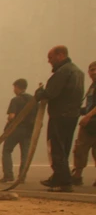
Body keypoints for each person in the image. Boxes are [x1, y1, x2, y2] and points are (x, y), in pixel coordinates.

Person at [35, 45, 85, 192]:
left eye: (51, 57)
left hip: (60, 115)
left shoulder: (63, 72)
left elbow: (51, 93)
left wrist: (39, 93)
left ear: (60, 55)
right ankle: (58, 177)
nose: (49, 61)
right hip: (71, 115)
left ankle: (63, 180)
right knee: (64, 148)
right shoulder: (78, 72)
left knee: (56, 148)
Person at [0, 79, 34, 183]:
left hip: (16, 130)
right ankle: (22, 176)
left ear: (17, 87)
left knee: (7, 150)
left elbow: (12, 116)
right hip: (28, 130)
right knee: (25, 153)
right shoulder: (33, 100)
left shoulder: (16, 100)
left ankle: (8, 175)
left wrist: (8, 122)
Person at [71, 61, 96, 185]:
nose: (94, 72)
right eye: (91, 70)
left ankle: (77, 175)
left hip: (91, 121)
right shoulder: (92, 86)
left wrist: (88, 116)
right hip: (90, 123)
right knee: (80, 149)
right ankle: (77, 175)